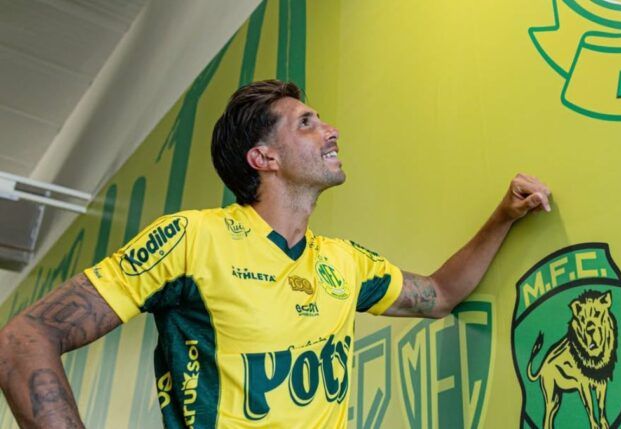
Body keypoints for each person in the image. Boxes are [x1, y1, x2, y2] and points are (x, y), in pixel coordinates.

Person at [0, 80, 551, 428]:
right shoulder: (192, 239)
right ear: (263, 157)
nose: (331, 131)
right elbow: (23, 338)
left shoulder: (343, 262)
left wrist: (503, 216)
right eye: (307, 123)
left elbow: (440, 295)